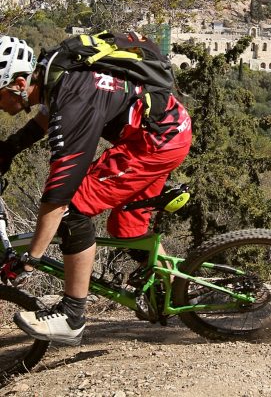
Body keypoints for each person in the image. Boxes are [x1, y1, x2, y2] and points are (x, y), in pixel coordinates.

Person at [0, 34, 192, 345]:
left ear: (19, 83)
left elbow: (60, 193)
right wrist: (10, 148)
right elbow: (45, 117)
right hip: (166, 129)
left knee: (71, 210)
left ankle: (72, 315)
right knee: (126, 229)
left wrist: (31, 258)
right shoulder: (57, 67)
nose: (0, 105)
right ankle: (178, 290)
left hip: (154, 144)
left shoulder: (75, 99)